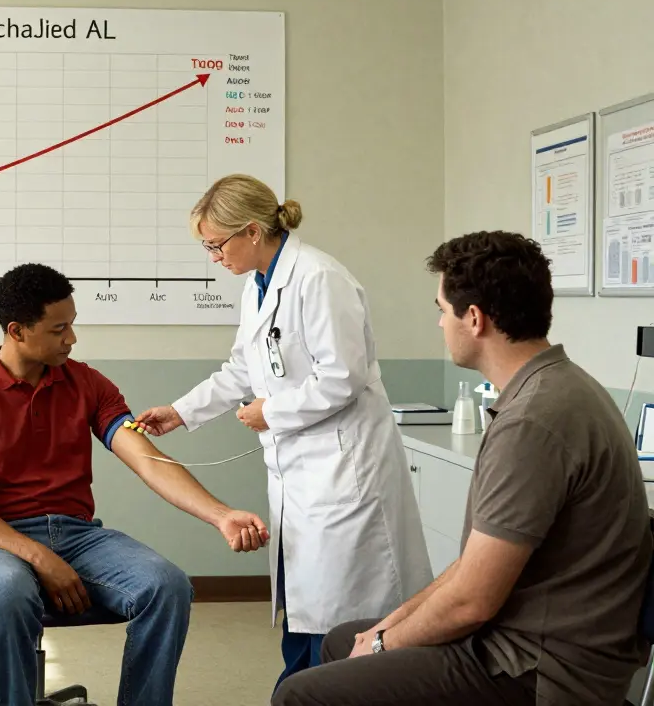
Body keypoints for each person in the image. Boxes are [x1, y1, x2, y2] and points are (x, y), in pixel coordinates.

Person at [273, 231, 654, 706]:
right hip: (519, 637)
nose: (439, 323)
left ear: (473, 318)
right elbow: (471, 570)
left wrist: (381, 645)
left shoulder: (534, 421)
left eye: (441, 309)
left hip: (540, 671)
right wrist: (385, 629)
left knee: (302, 694)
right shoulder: (557, 386)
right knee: (342, 640)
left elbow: (473, 601)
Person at [134, 174, 433, 688]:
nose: (213, 256)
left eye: (216, 244)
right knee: (304, 607)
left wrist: (271, 412)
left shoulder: (319, 278)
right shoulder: (257, 287)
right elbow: (241, 370)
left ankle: (319, 693)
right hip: (300, 473)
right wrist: (181, 411)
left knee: (338, 615)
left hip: (345, 472)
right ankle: (300, 691)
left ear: (251, 231)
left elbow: (344, 376)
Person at [0, 262, 269, 706]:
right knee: (8, 597)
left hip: (76, 535)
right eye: (59, 329)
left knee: (167, 586)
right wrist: (40, 558)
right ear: (16, 331)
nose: (71, 338)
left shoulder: (86, 383)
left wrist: (221, 516)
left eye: (72, 325)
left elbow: (147, 460)